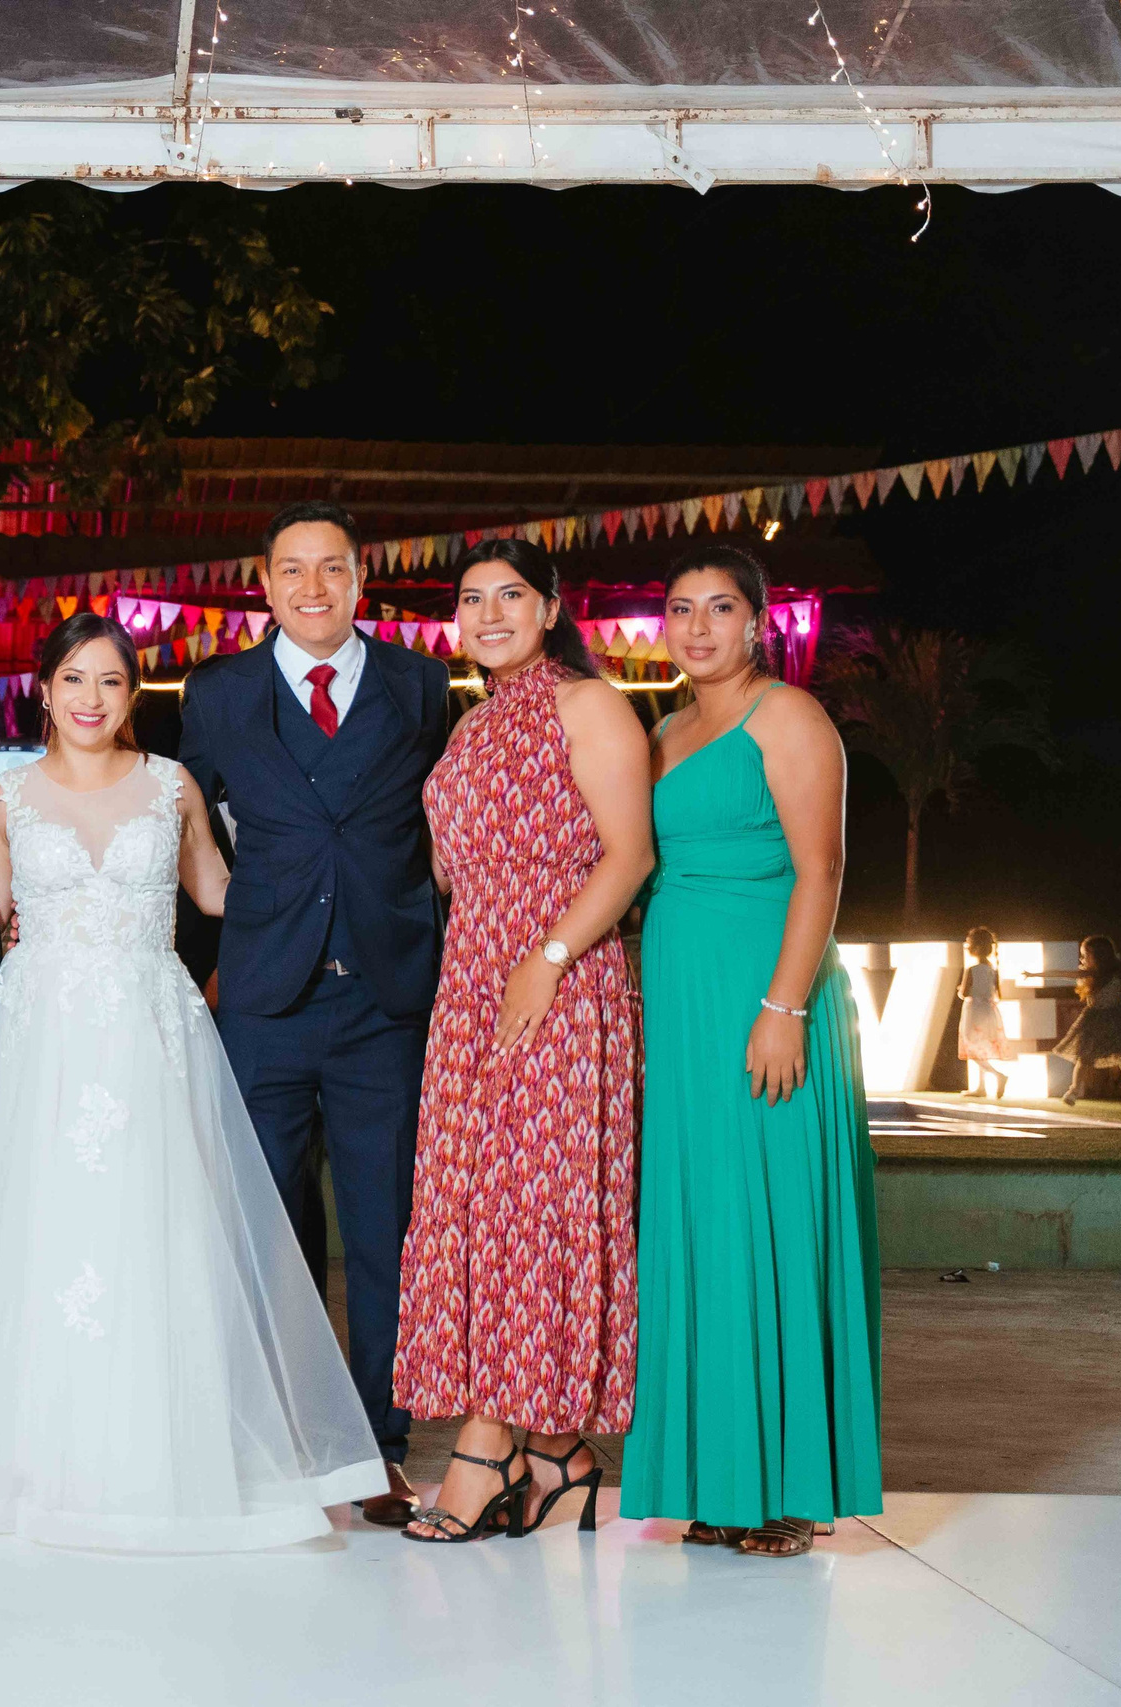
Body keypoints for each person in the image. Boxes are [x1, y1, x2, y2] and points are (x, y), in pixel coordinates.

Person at [0, 614, 387, 1549]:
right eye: (73, 679)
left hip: (151, 1031)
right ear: (45, 689)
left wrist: (321, 862)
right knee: (45, 1233)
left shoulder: (171, 784)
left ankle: (162, 1452)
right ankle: (31, 1455)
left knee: (157, 1225)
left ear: (132, 692)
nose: (90, 699)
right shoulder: (7, 794)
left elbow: (220, 893)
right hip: (42, 1036)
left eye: (109, 681)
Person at [176, 499, 451, 1526]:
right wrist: (198, 970)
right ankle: (287, 1438)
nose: (312, 588)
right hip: (261, 1001)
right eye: (291, 571)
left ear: (359, 580)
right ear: (264, 585)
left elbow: (445, 821)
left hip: (385, 998)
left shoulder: (421, 686)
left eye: (331, 569)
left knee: (386, 1230)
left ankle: (376, 1449)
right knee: (269, 1231)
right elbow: (181, 830)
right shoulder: (218, 694)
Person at [621, 544, 881, 1560]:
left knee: (775, 1221)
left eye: (718, 608)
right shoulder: (663, 731)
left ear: (756, 621)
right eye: (680, 610)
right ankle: (715, 1480)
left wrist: (783, 1006)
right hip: (681, 1006)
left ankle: (787, 1493)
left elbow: (822, 870)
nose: (695, 628)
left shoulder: (789, 717)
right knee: (702, 1228)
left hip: (768, 993)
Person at [392, 540, 650, 1543]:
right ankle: (556, 1458)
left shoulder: (586, 703)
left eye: (510, 595)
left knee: (529, 1210)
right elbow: (458, 870)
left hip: (559, 978)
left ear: (550, 607)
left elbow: (629, 854)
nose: (489, 612)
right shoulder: (473, 723)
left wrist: (543, 955)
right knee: (473, 1212)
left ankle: (486, 1451)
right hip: (472, 982)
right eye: (471, 598)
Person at [1053, 934, 1121, 1107]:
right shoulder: (1091, 974)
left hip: (1116, 1019)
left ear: (1097, 955)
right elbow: (1063, 973)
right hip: (1094, 1020)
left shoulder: (1120, 974)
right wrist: (1034, 974)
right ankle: (1073, 1090)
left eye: (1084, 955)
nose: (1081, 959)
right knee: (1084, 1057)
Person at [958, 927, 1013, 1100]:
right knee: (979, 1046)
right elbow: (998, 994)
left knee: (971, 1046)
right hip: (989, 1010)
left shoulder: (972, 969)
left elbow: (964, 993)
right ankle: (980, 1087)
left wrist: (960, 989)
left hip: (974, 1009)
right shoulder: (993, 969)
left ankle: (998, 1075)